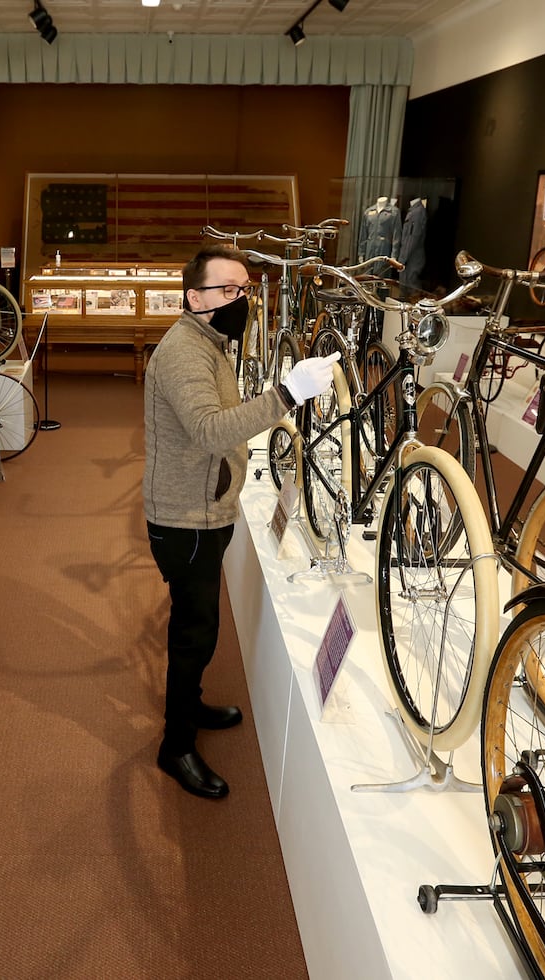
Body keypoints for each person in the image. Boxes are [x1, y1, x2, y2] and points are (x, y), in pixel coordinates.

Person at [142, 243, 339, 800]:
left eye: (244, 290)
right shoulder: (184, 352)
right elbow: (209, 430)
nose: (239, 299)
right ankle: (174, 744)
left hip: (206, 508)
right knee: (193, 630)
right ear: (194, 296)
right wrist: (286, 394)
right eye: (227, 289)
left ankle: (192, 703)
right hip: (185, 518)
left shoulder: (212, 342)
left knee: (201, 626)